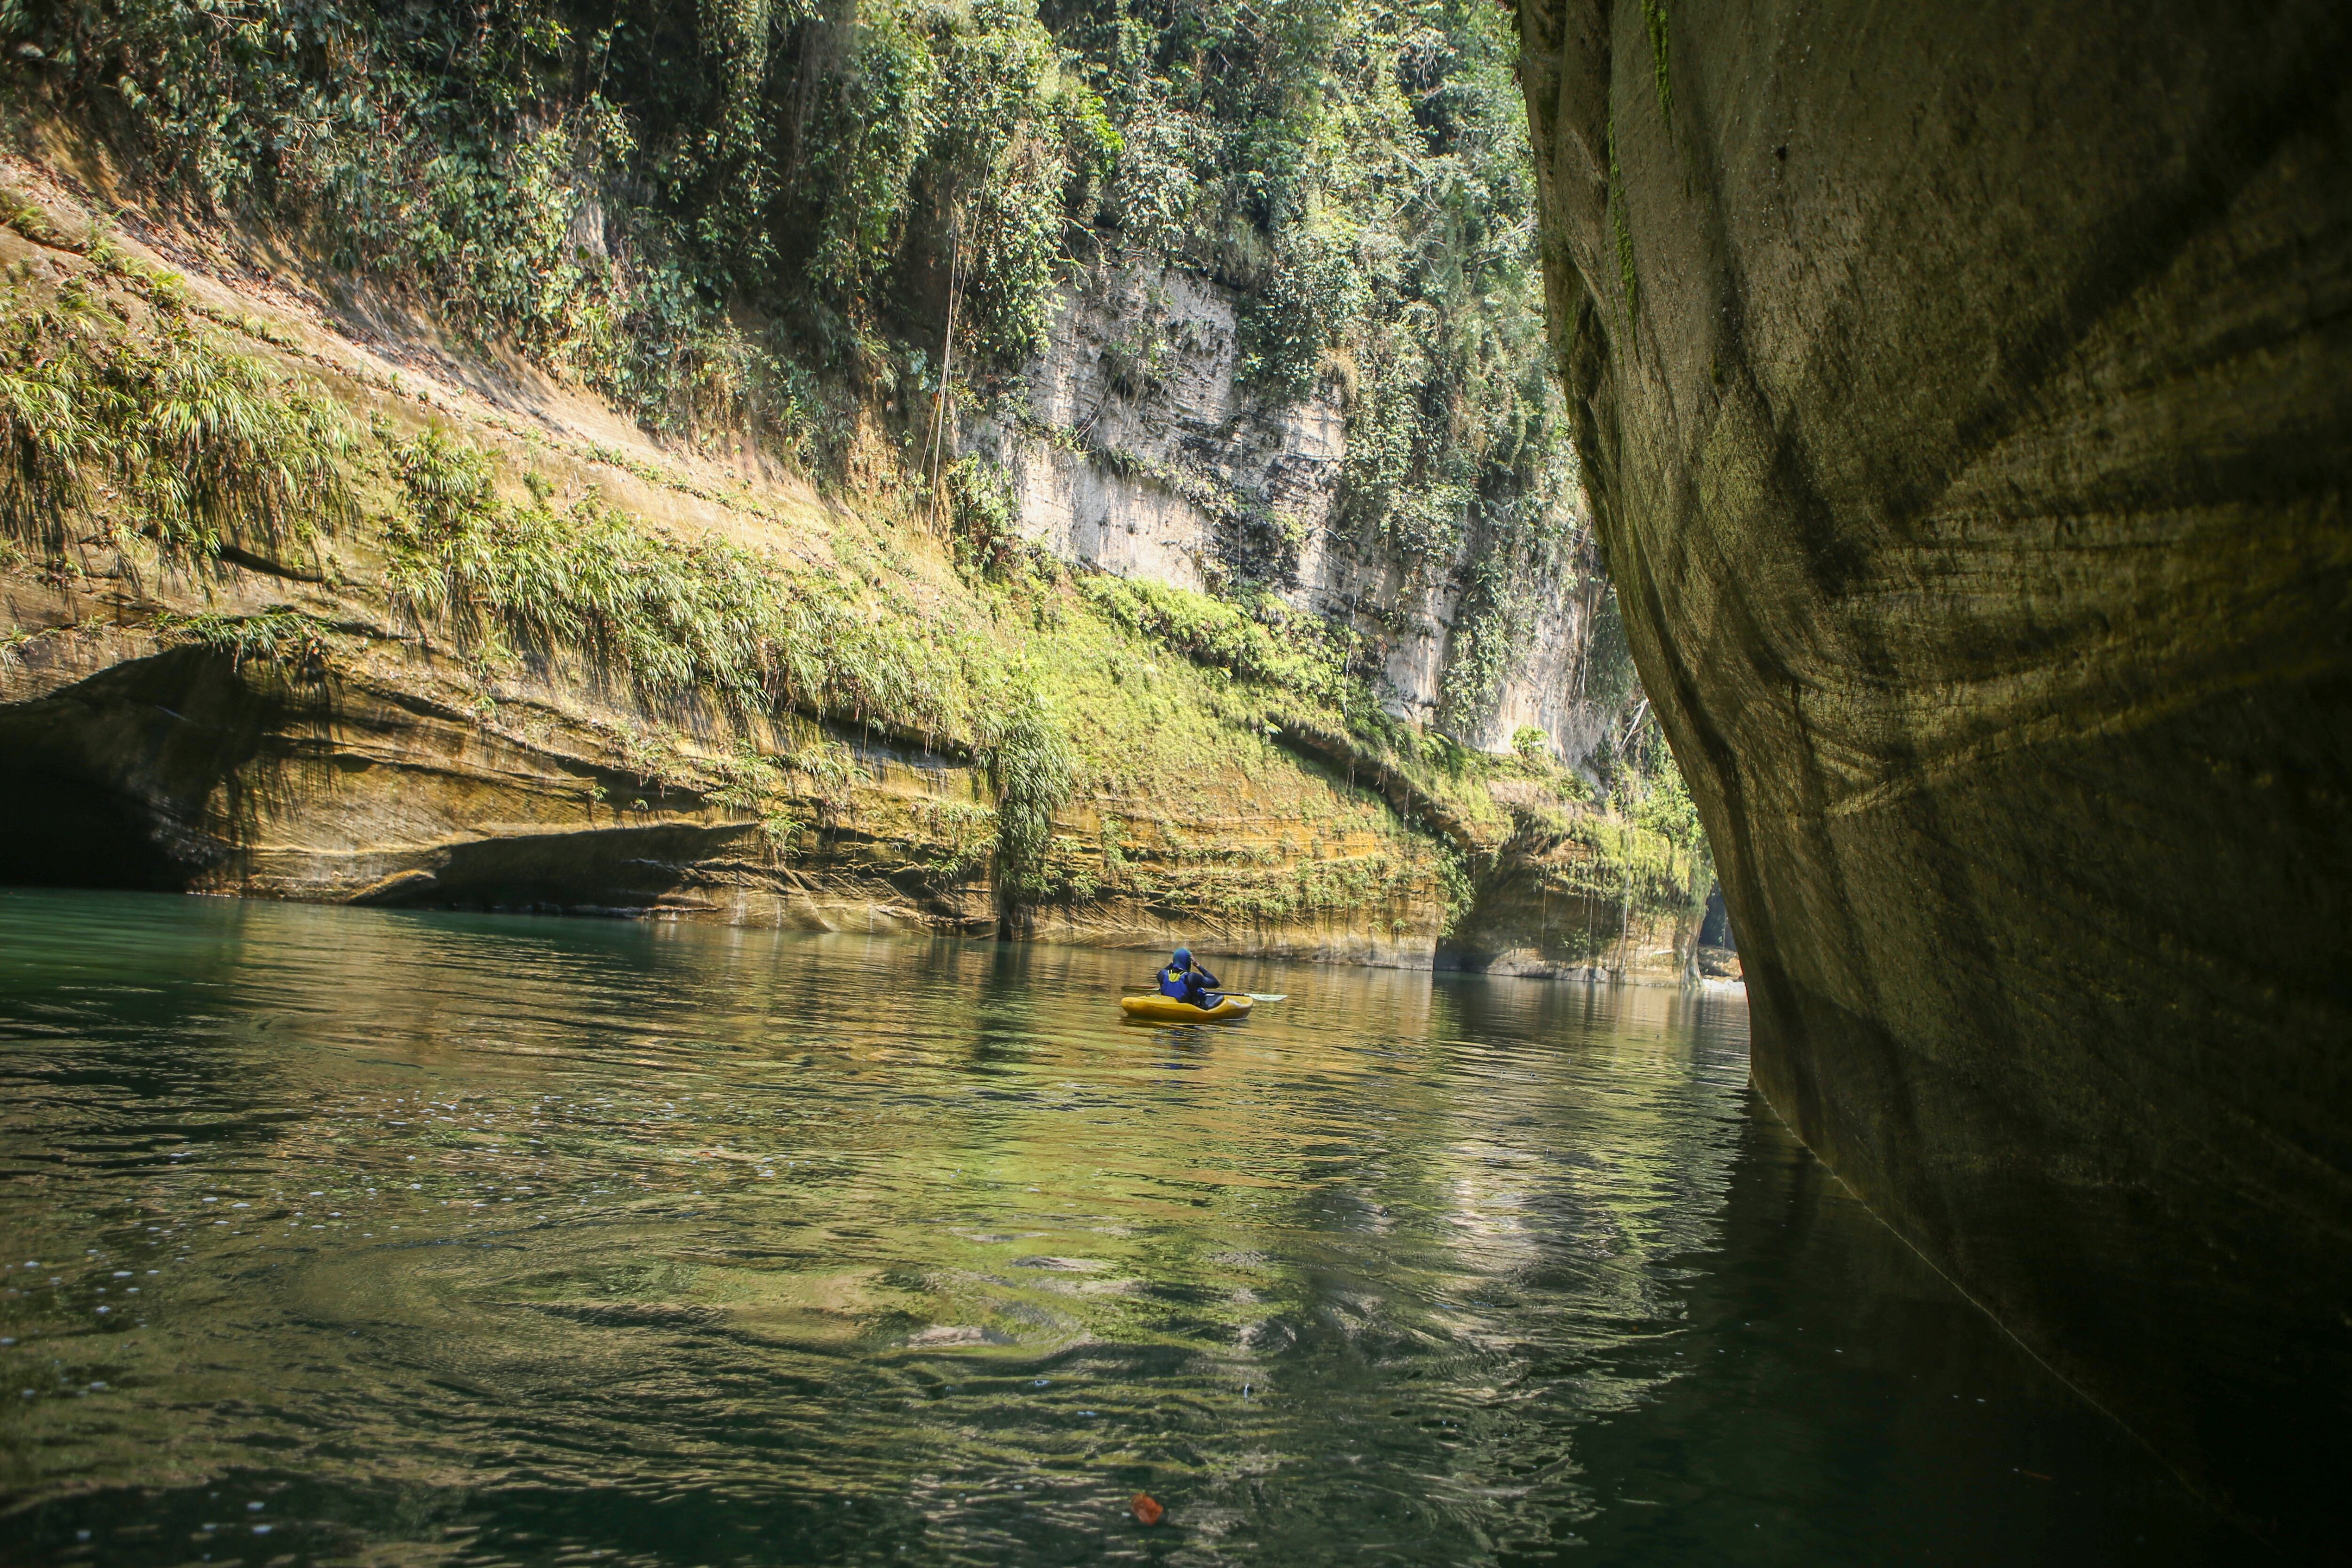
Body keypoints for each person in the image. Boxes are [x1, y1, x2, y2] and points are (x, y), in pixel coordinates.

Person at [1157, 947, 1222, 1008]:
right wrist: (1198, 965)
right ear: (1188, 962)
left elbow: (1163, 971)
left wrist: (1172, 964)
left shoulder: (1162, 975)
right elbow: (1216, 984)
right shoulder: (1193, 977)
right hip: (1187, 1008)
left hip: (1167, 1005)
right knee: (1201, 991)